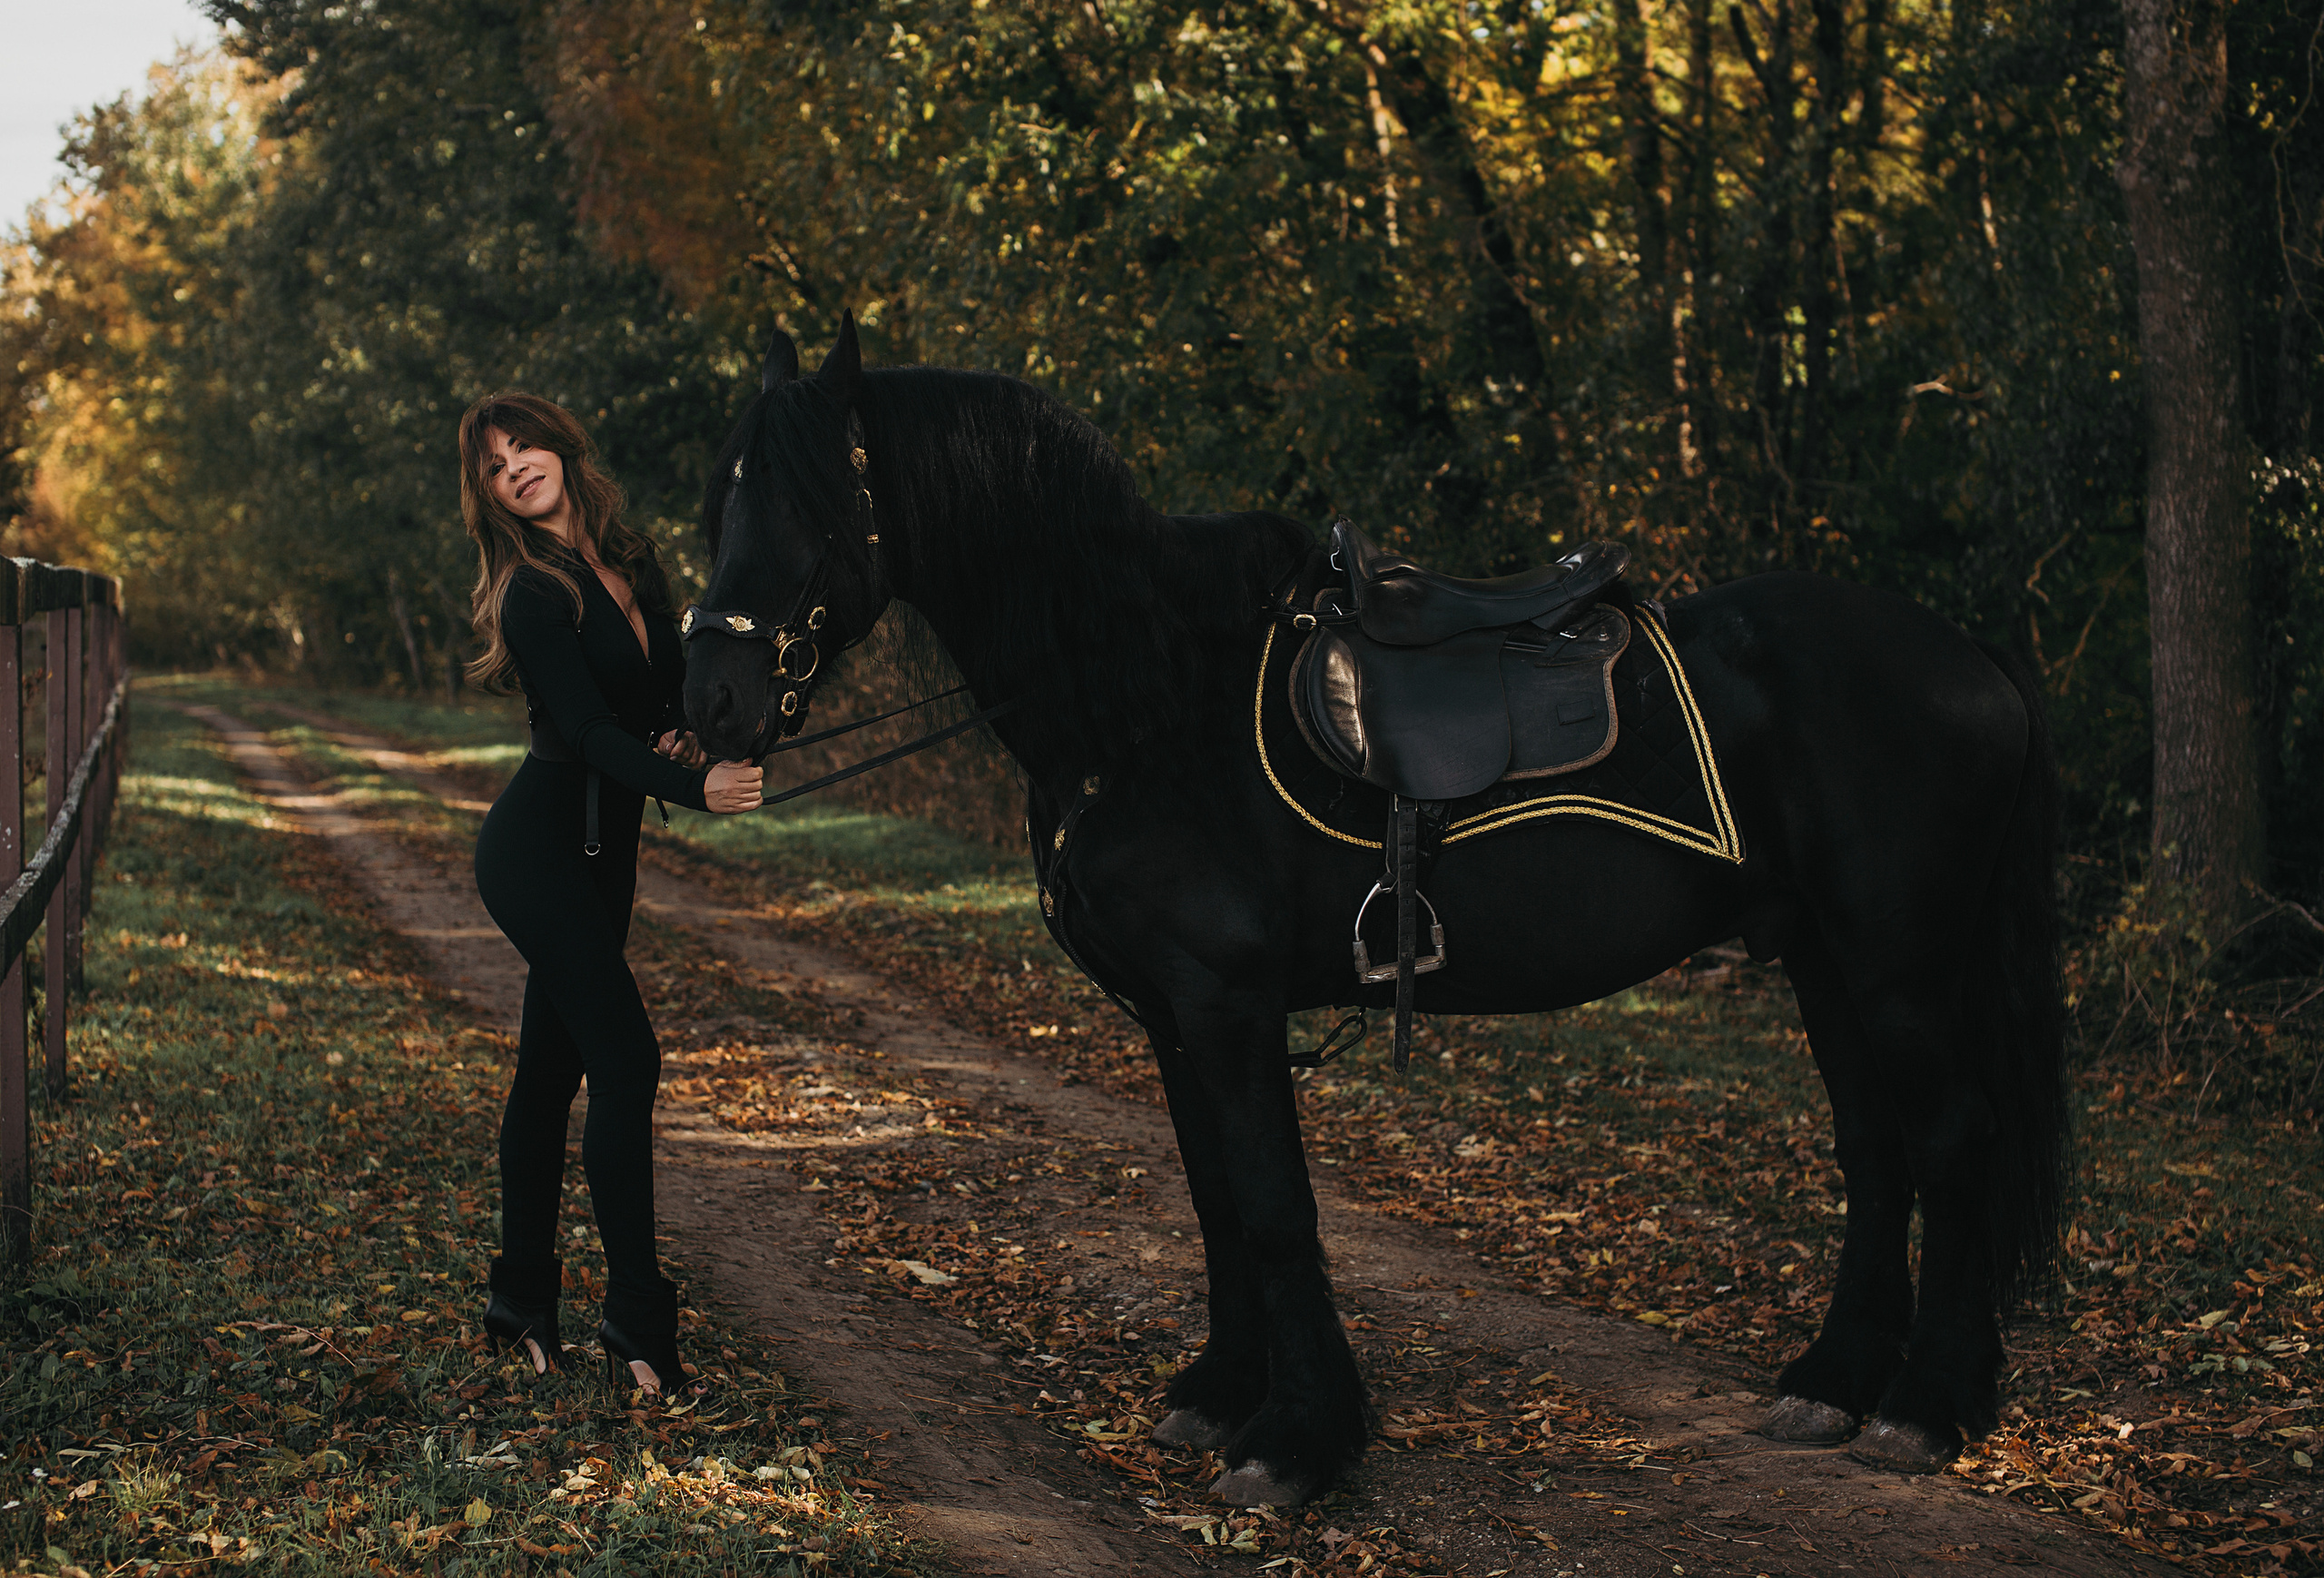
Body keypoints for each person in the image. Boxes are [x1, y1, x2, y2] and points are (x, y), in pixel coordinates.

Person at [457, 392, 763, 1393]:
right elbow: (588, 733)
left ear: (559, 446)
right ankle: (638, 1327)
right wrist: (692, 787)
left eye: (524, 447)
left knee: (550, 1075)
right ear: (491, 494)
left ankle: (518, 1304)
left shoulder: (635, 559)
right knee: (626, 1061)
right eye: (496, 465)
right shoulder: (530, 592)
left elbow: (661, 698)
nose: (516, 469)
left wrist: (693, 739)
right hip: (536, 850)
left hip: (605, 857)